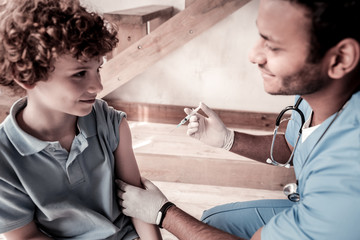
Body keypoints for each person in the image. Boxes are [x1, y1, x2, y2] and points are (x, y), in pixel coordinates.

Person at [117, 0, 360, 239]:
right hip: (313, 201)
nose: (254, 55)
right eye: (261, 36)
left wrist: (163, 214)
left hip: (334, 212)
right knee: (215, 221)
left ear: (340, 59)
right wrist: (228, 139)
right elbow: (292, 147)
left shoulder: (348, 169)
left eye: (273, 46)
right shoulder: (317, 90)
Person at [0, 0, 162, 239]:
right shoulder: (4, 157)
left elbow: (138, 205)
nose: (98, 85)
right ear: (27, 77)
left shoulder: (111, 123)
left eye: (98, 69)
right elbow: (25, 236)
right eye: (79, 74)